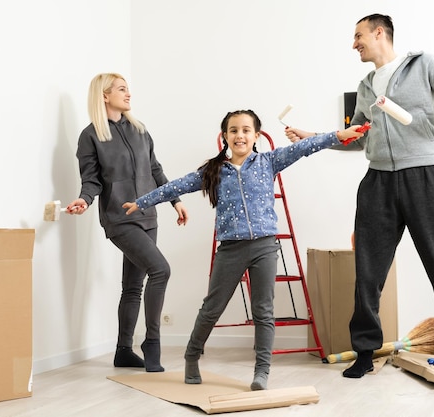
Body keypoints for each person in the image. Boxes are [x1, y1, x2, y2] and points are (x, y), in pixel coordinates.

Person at [286, 14, 434, 378]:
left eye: (358, 36)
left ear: (379, 33)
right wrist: (313, 138)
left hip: (424, 176)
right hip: (377, 182)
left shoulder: (421, 65)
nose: (354, 44)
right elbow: (359, 137)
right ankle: (365, 351)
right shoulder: (366, 86)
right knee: (368, 270)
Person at [124, 110, 364, 389]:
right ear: (225, 136)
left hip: (264, 246)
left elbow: (304, 147)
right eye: (234, 130)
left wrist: (339, 135)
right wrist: (142, 203)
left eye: (246, 130)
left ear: (256, 136)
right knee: (211, 309)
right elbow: (176, 185)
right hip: (231, 249)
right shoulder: (214, 171)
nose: (240, 135)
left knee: (264, 311)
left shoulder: (269, 161)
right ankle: (192, 355)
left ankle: (261, 372)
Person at [67, 73, 188, 372]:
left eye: (128, 89)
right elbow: (91, 179)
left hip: (148, 215)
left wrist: (176, 199)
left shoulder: (139, 130)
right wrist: (85, 198)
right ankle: (152, 342)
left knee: (133, 286)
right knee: (160, 270)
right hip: (119, 218)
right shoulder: (91, 135)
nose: (128, 94)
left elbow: (156, 170)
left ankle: (123, 351)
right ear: (104, 95)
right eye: (122, 89)